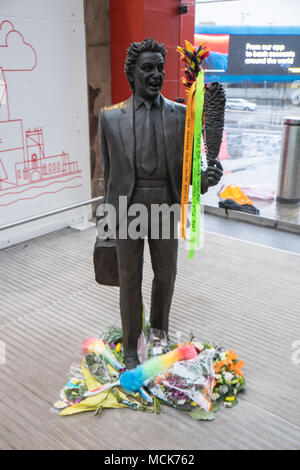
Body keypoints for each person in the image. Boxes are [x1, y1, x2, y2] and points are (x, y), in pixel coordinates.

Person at [98, 38, 223, 369]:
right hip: (129, 207)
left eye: (160, 69)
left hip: (165, 205)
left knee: (166, 274)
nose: (156, 75)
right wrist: (105, 224)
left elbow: (188, 172)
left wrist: (204, 180)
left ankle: (159, 332)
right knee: (129, 278)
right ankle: (130, 344)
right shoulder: (110, 118)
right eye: (148, 68)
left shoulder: (181, 115)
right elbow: (108, 176)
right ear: (132, 74)